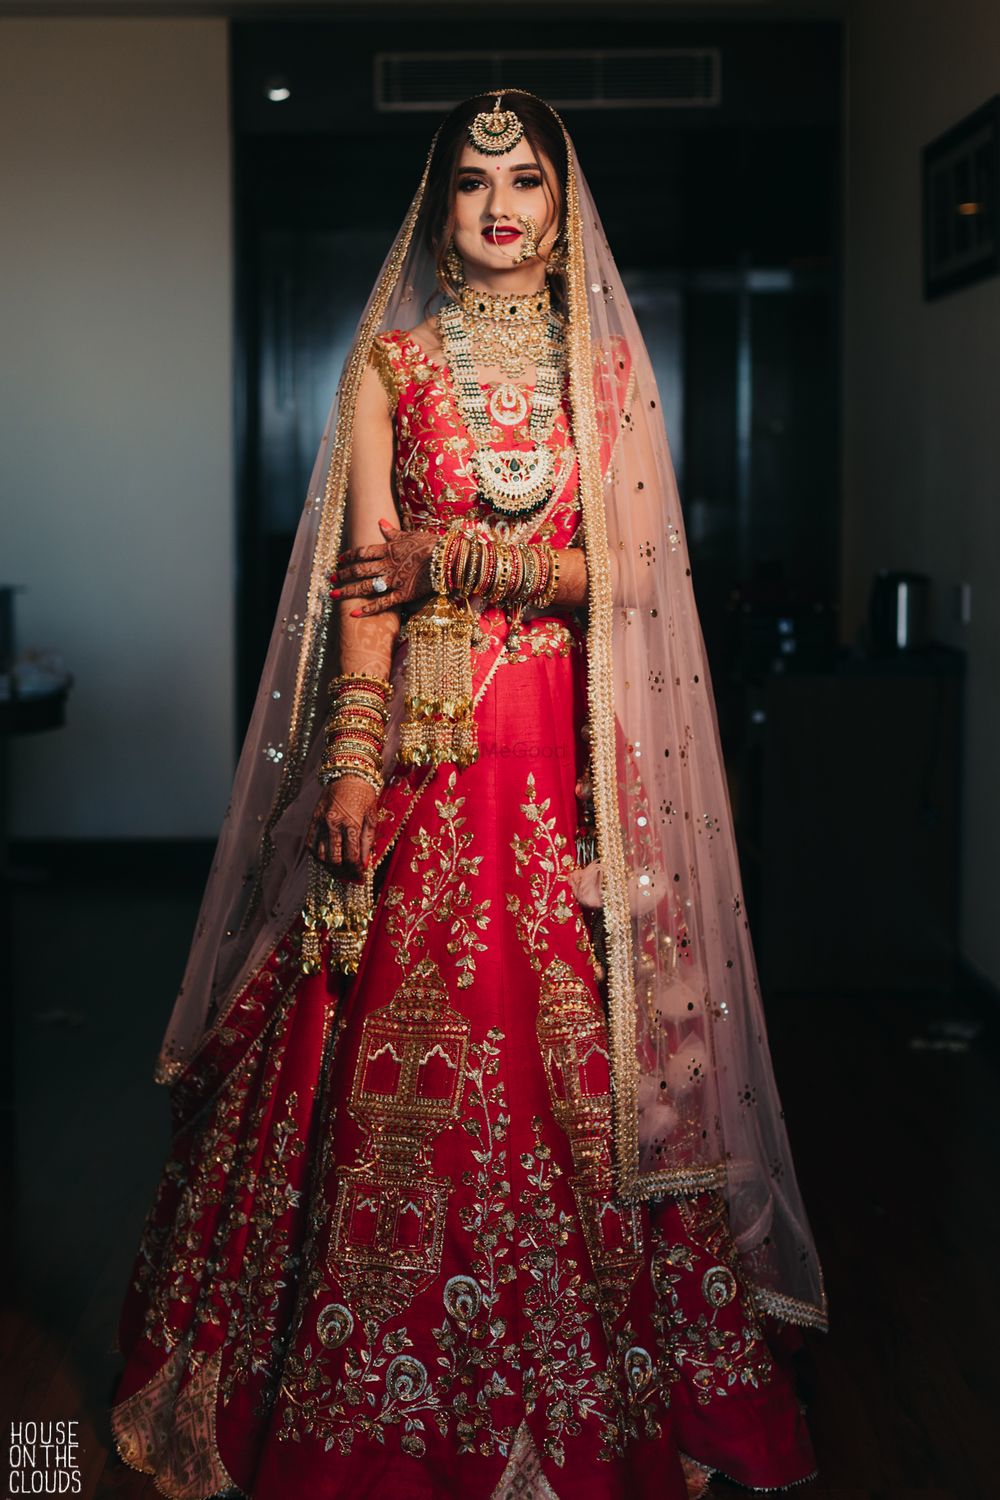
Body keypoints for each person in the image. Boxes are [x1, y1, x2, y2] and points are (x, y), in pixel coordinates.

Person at [110, 90, 826, 1500]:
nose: (501, 207)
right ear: (437, 216)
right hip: (432, 761)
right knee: (389, 1048)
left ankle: (609, 1390)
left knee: (585, 1060)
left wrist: (463, 561)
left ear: (564, 215)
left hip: (566, 761)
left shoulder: (610, 379)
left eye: (527, 183)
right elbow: (362, 583)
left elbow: (634, 583)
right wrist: (358, 761)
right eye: (472, 185)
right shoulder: (387, 366)